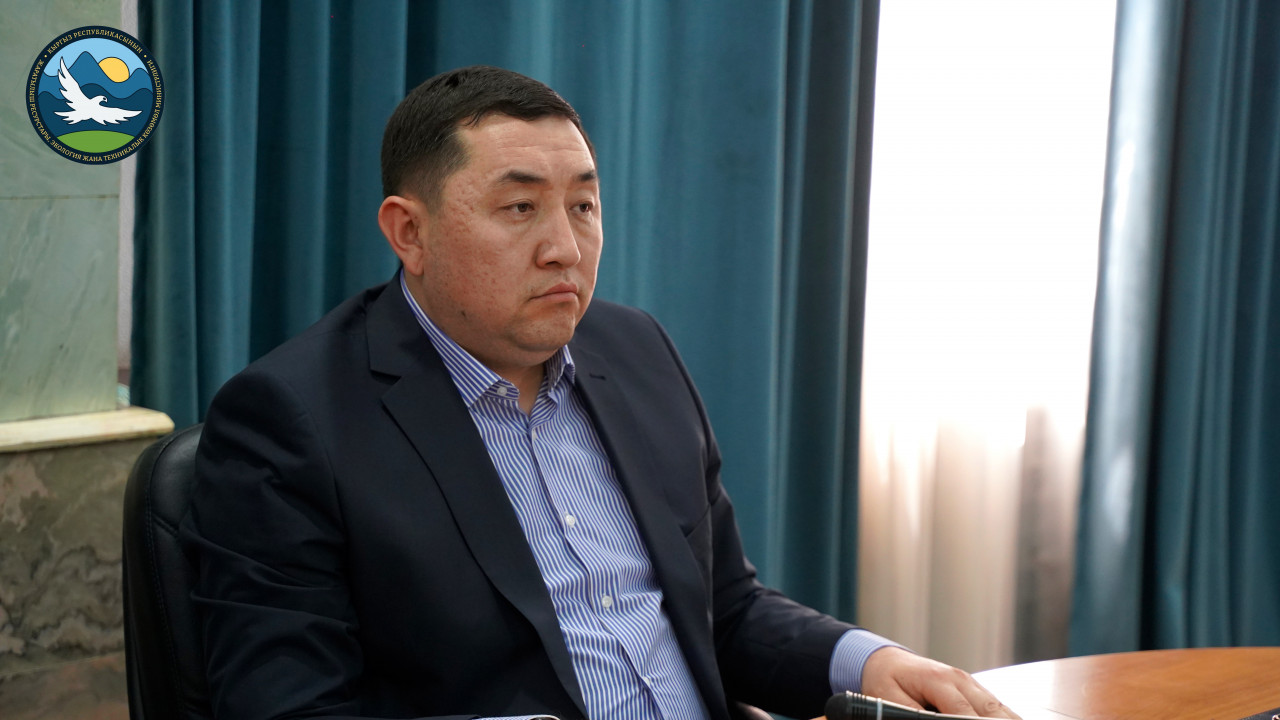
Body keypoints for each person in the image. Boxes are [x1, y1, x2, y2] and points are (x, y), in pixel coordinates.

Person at [181, 65, 1018, 720]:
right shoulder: (291, 421)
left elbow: (722, 612)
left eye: (583, 205)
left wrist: (866, 662)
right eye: (520, 208)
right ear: (410, 232)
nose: (565, 248)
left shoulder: (636, 350)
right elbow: (289, 709)